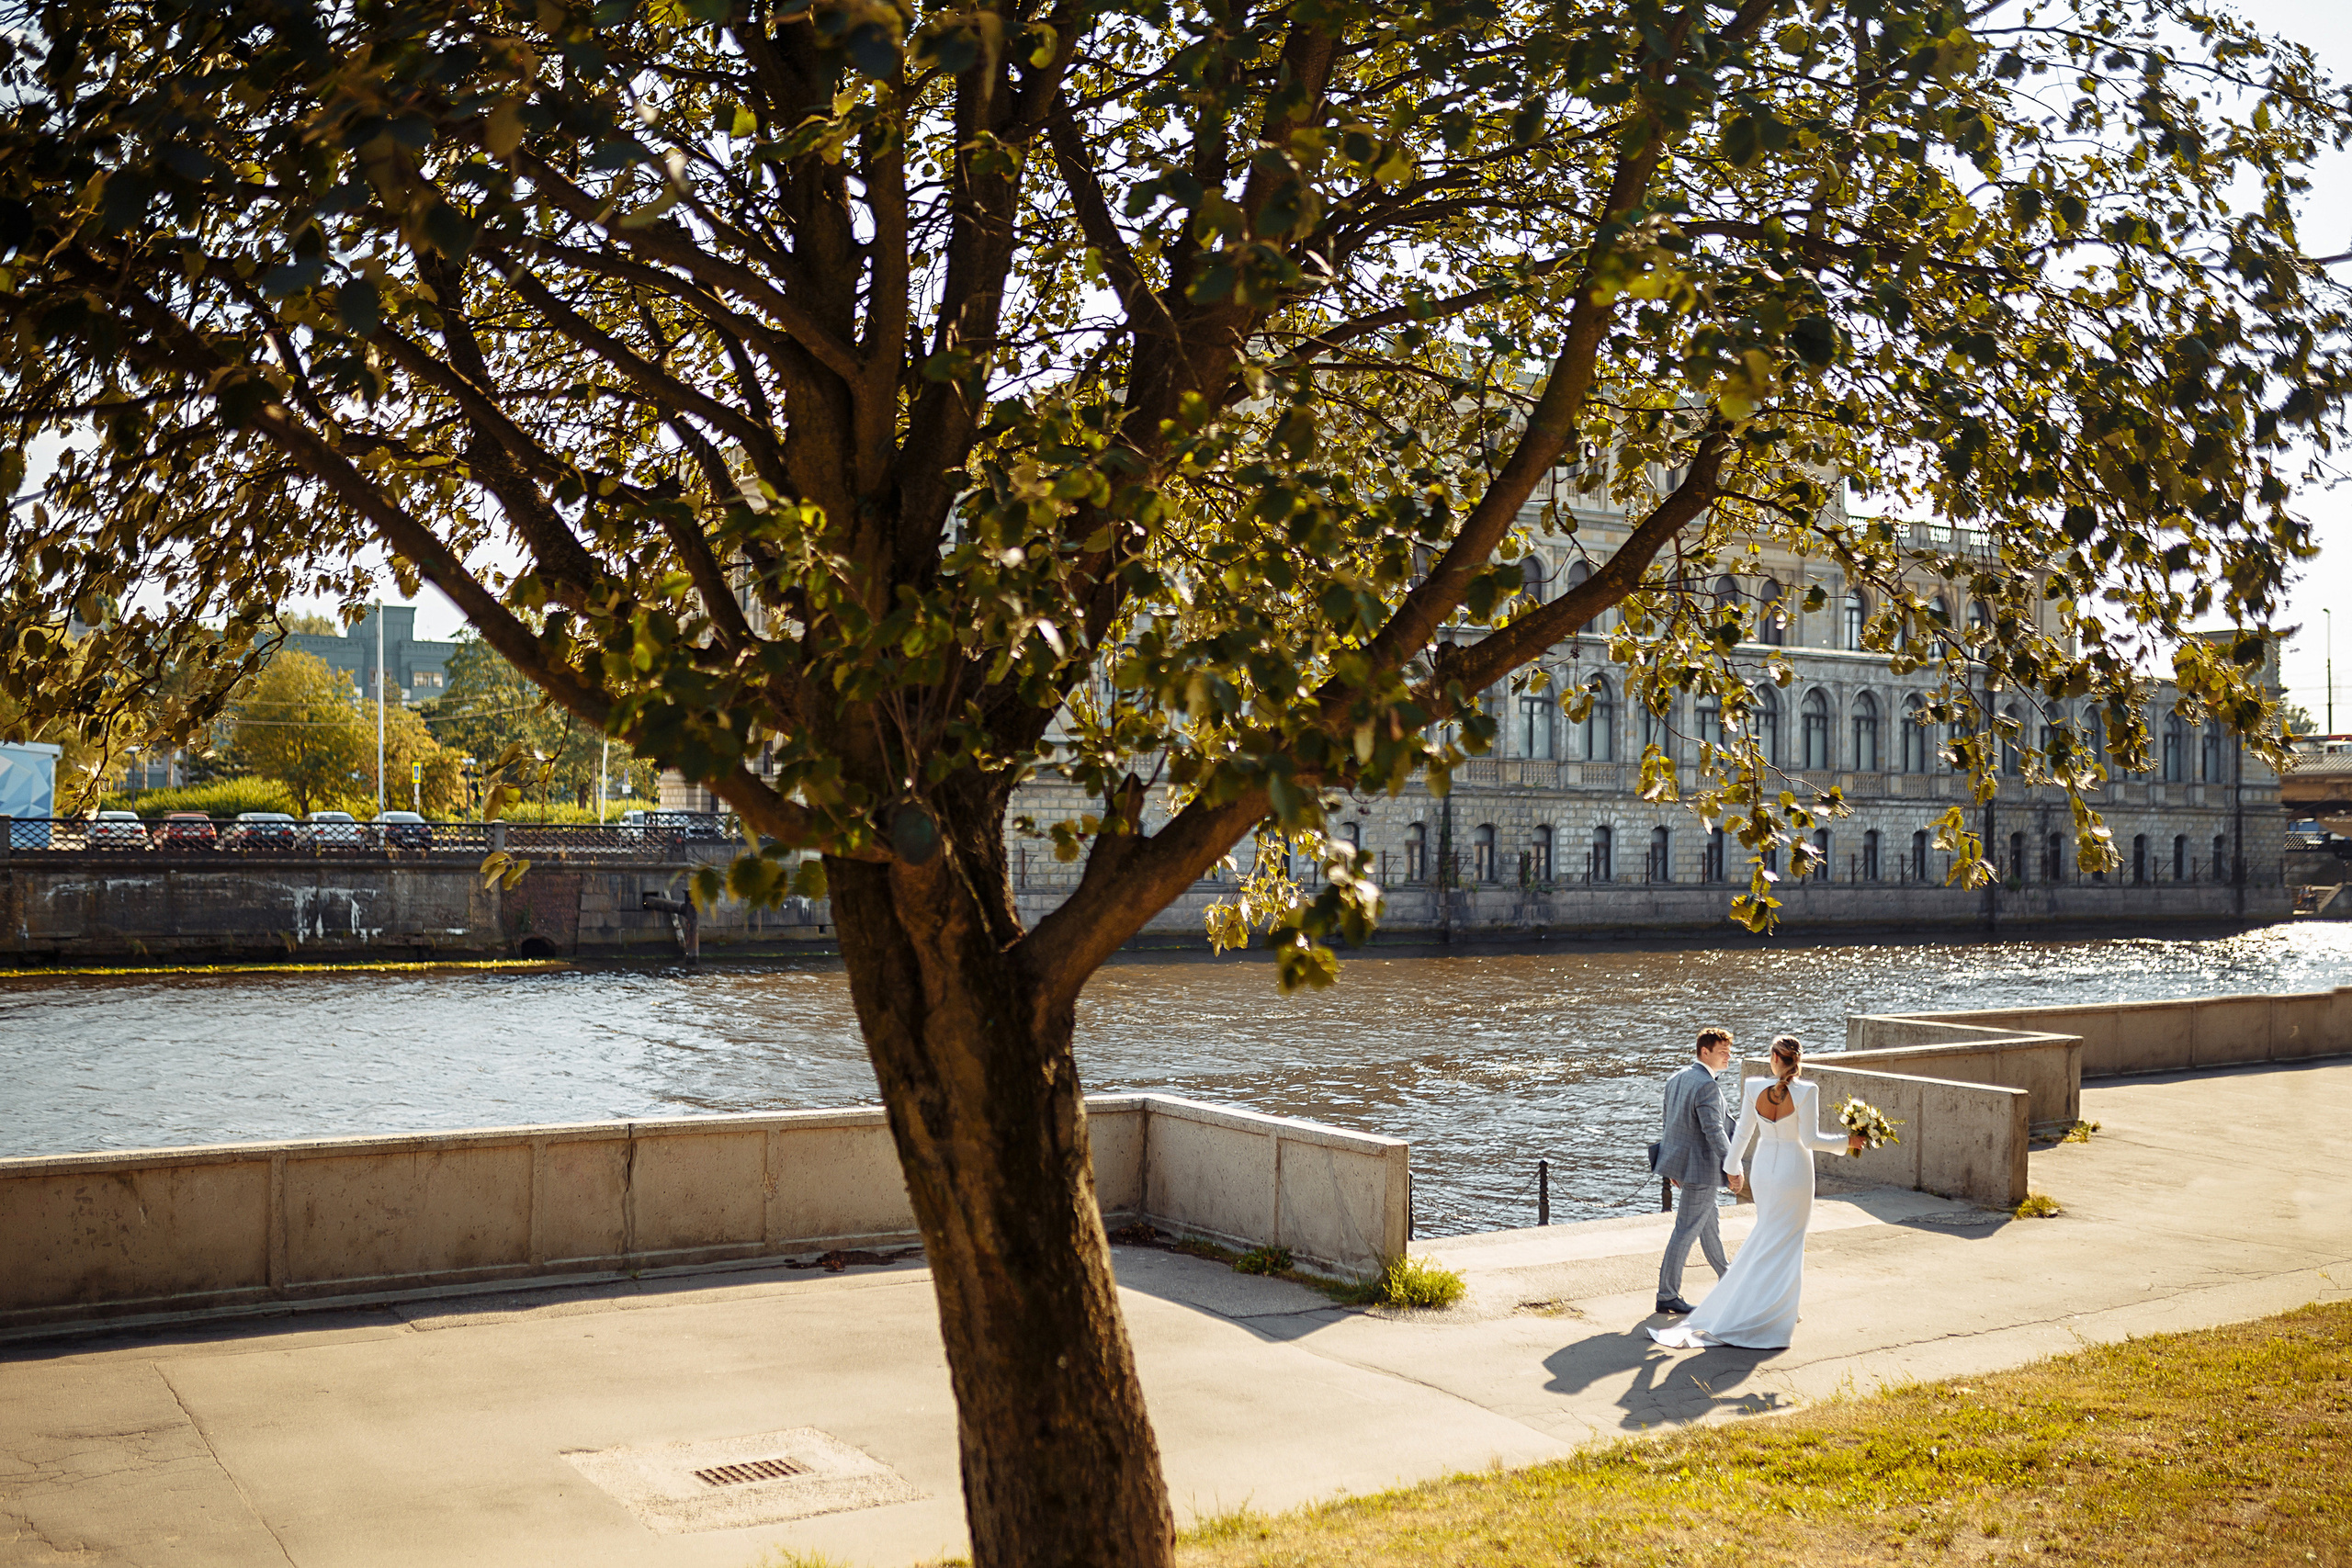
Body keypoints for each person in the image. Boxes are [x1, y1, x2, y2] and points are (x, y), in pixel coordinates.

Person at [1650, 1035, 1865, 1350]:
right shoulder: (1807, 1090)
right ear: (1797, 1059)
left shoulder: (1749, 1086)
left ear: (1774, 1058)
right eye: (1722, 1051)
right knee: (1788, 1239)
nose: (1727, 1055)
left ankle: (1738, 1291)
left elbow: (1740, 1135)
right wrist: (1846, 1142)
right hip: (1793, 1169)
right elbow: (1809, 1139)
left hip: (1764, 1169)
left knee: (1763, 1232)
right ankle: (1775, 1309)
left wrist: (1732, 1165)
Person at [1653, 1026, 1737, 1316]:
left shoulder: (1677, 1078)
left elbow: (1671, 1124)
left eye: (1729, 1051)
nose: (1729, 1057)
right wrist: (1733, 1167)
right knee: (1686, 1230)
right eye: (1723, 1052)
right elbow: (1713, 1130)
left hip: (1687, 1167)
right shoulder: (1706, 1085)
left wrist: (1673, 1166)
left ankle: (1728, 1279)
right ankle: (1667, 1295)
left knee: (1708, 1226)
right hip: (1702, 1170)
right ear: (1705, 1051)